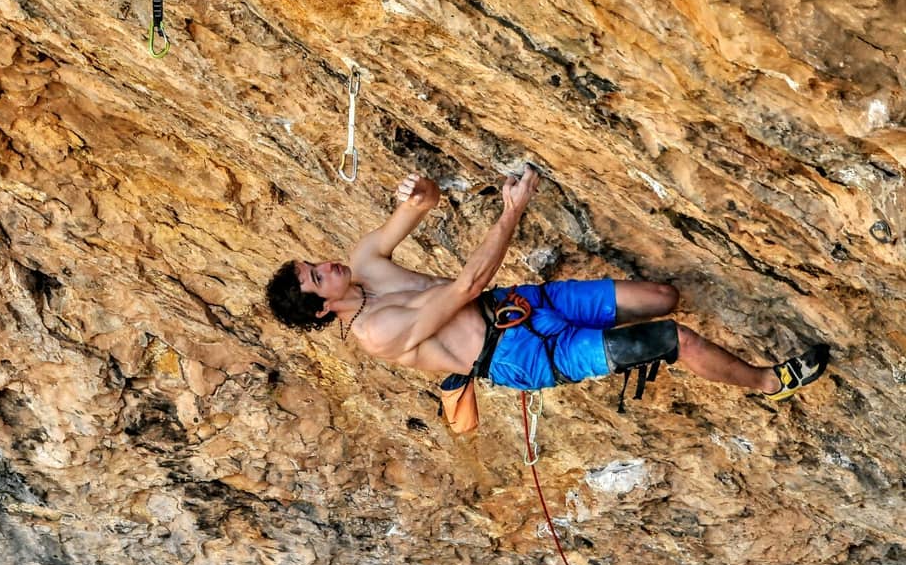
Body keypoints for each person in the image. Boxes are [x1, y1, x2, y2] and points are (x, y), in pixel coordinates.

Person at [266, 167, 829, 416]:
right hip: (523, 354)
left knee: (661, 298)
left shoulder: (366, 262)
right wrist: (512, 210)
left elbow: (421, 205)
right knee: (672, 338)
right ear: (322, 307)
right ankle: (767, 382)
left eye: (314, 263)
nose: (327, 265)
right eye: (318, 277)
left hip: (524, 304)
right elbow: (467, 284)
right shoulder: (377, 333)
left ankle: (623, 343)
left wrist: (422, 190)